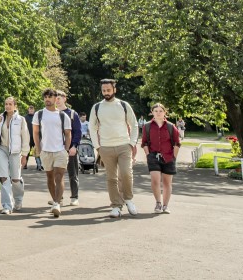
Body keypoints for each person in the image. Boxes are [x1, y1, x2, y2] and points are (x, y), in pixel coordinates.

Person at [89, 78, 140, 218]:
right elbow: (91, 127)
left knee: (126, 173)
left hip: (124, 146)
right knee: (111, 178)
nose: (106, 92)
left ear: (114, 90)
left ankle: (129, 199)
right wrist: (97, 146)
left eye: (108, 90)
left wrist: (132, 143)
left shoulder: (123, 105)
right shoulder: (97, 107)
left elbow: (134, 124)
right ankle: (116, 206)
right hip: (105, 147)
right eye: (104, 90)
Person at [32, 89, 71, 217]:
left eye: (50, 97)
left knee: (59, 177)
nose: (47, 99)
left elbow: (67, 133)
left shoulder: (62, 115)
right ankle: (55, 200)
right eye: (45, 97)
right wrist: (38, 148)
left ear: (56, 99)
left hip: (60, 150)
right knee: (49, 177)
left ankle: (56, 203)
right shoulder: (39, 114)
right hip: (46, 151)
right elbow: (36, 133)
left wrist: (66, 149)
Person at [142, 103, 181, 214]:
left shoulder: (170, 126)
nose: (158, 113)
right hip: (153, 156)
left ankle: (165, 205)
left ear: (165, 112)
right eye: (156, 111)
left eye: (160, 111)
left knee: (167, 183)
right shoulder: (147, 126)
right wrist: (148, 154)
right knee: (155, 180)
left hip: (168, 156)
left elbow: (177, 143)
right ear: (152, 112)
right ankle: (158, 203)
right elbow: (144, 142)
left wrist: (174, 156)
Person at [0, 97, 30, 214]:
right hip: (2, 149)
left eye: (10, 104)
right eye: (6, 104)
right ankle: (7, 206)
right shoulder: (0, 118)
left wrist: (24, 154)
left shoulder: (21, 120)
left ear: (15, 106)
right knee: (3, 177)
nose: (8, 106)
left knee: (15, 179)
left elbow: (25, 138)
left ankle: (18, 199)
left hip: (15, 151)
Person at [56, 90, 83, 206]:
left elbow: (77, 131)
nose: (57, 99)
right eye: (55, 97)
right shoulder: (52, 113)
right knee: (57, 174)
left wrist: (74, 146)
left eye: (59, 97)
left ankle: (74, 197)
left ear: (64, 98)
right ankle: (59, 198)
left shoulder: (72, 114)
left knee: (73, 174)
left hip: (70, 148)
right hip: (56, 148)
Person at [23, 105, 42, 171]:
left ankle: (39, 165)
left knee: (37, 151)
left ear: (34, 110)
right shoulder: (25, 118)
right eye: (30, 109)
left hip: (36, 137)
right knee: (27, 151)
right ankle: (25, 164)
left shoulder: (36, 117)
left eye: (32, 109)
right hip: (28, 137)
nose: (31, 110)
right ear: (28, 110)